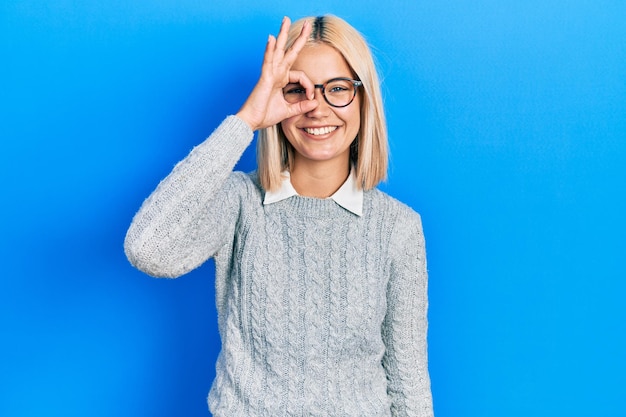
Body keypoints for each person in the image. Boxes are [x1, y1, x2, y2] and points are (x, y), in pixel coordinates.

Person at [124, 15, 433, 417]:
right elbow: (148, 249)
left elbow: (408, 385)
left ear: (364, 98)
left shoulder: (399, 228)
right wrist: (245, 121)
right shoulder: (239, 203)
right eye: (296, 90)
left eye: (337, 88)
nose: (317, 108)